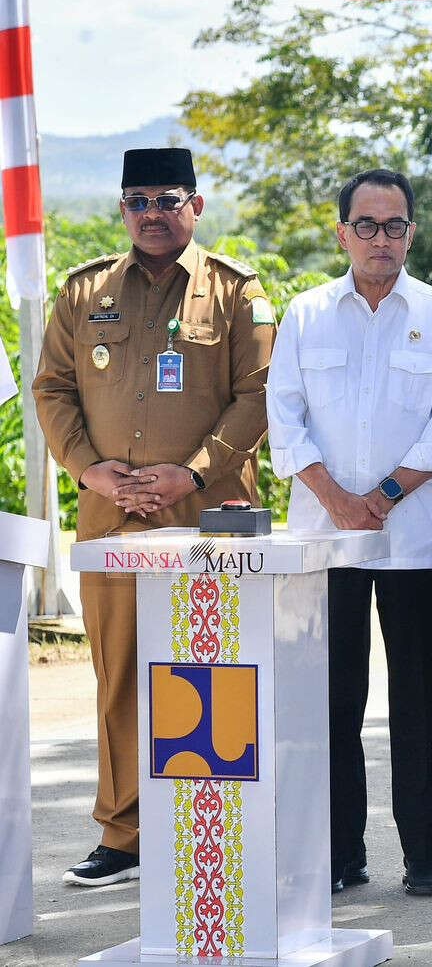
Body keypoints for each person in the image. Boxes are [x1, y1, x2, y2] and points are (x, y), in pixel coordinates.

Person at [33, 147, 275, 886]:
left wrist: (191, 472)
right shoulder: (84, 292)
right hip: (112, 514)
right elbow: (51, 390)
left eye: (167, 199)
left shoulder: (236, 291)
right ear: (122, 210)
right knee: (118, 676)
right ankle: (124, 833)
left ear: (195, 206)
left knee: (214, 669)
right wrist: (87, 469)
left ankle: (219, 824)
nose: (152, 214)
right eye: (137, 201)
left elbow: (260, 394)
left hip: (212, 514)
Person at [265, 168, 432, 896]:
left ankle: (424, 855)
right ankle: (339, 854)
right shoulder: (306, 313)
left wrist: (379, 498)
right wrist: (335, 499)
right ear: (342, 232)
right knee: (328, 703)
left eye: (394, 227)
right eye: (366, 226)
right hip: (324, 544)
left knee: (420, 704)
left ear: (411, 233)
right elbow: (283, 420)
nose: (380, 240)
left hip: (413, 543)